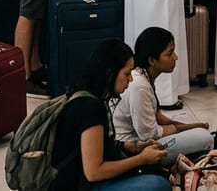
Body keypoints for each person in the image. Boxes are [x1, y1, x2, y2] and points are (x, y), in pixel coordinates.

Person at [52, 39, 170, 191]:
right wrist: (141, 159)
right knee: (159, 185)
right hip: (78, 185)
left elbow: (98, 145)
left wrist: (133, 147)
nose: (131, 79)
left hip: (83, 180)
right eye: (127, 74)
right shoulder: (90, 108)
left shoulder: (94, 97)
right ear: (110, 74)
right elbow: (93, 172)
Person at [114, 27, 212, 165]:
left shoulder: (145, 77)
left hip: (144, 139)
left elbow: (159, 117)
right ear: (152, 60)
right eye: (170, 53)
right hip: (134, 150)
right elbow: (148, 135)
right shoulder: (139, 85)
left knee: (187, 121)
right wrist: (179, 129)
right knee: (205, 138)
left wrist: (193, 125)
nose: (175, 57)